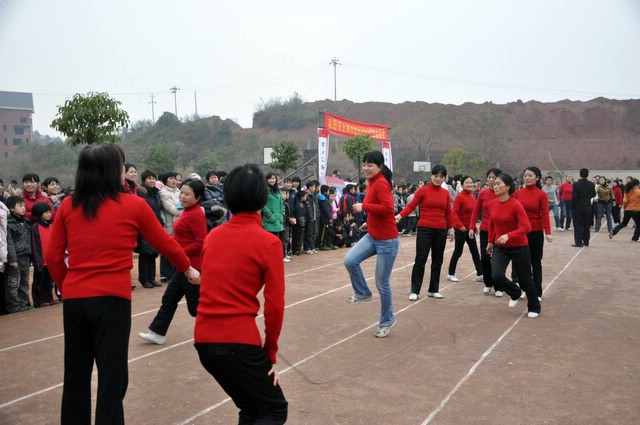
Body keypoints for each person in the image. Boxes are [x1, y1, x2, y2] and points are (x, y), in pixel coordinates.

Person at [45, 143, 199, 425]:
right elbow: (165, 243)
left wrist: (68, 287)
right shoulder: (133, 205)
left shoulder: (68, 205)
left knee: (76, 374)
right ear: (112, 171)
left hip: (76, 300)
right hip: (112, 300)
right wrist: (188, 269)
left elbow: (53, 256)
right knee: (112, 376)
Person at [194, 164, 288, 424]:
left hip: (204, 341)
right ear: (262, 197)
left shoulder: (213, 237)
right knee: (274, 410)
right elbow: (275, 305)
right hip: (239, 342)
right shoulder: (269, 242)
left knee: (252, 408)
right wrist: (270, 352)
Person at [139, 178, 208, 345]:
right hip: (183, 266)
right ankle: (157, 332)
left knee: (196, 308)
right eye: (181, 193)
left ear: (198, 197)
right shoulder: (185, 211)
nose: (182, 197)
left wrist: (179, 253)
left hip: (194, 267)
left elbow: (201, 242)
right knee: (169, 299)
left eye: (187, 194)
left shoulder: (196, 214)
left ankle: (218, 330)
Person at [344, 151, 399, 338]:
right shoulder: (372, 182)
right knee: (350, 260)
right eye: (365, 164)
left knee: (382, 283)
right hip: (373, 235)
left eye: (370, 165)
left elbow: (388, 208)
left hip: (387, 241)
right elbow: (379, 210)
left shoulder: (381, 183)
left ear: (379, 167)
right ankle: (362, 292)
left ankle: (387, 320)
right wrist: (369, 222)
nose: (366, 168)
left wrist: (364, 207)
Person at [486, 173, 541, 318]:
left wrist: (508, 235)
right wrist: (490, 242)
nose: (495, 186)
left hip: (519, 247)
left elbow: (526, 227)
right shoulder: (492, 204)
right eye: (494, 184)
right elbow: (492, 224)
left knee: (526, 279)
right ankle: (515, 292)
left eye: (498, 184)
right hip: (500, 247)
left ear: (508, 186)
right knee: (496, 275)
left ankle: (534, 307)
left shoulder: (516, 205)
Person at [396, 164, 455, 300]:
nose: (438, 179)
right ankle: (415, 291)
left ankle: (433, 289)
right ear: (431, 176)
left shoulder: (445, 193)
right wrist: (400, 216)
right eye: (436, 176)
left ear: (445, 178)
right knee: (420, 259)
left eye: (441, 176)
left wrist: (451, 228)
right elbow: (411, 205)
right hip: (424, 229)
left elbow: (448, 212)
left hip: (440, 230)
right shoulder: (423, 191)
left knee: (437, 260)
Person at [513, 166, 552, 299]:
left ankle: (537, 291)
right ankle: (524, 288)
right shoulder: (517, 194)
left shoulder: (541, 194)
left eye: (530, 175)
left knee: (535, 262)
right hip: (520, 232)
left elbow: (545, 215)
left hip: (535, 232)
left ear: (537, 178)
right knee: (522, 262)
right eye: (525, 176)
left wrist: (548, 232)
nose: (527, 178)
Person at [469, 168, 503, 296]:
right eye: (489, 177)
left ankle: (499, 286)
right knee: (485, 258)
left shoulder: (503, 194)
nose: (491, 180)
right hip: (485, 230)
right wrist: (472, 226)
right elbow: (476, 211)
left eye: (494, 177)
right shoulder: (483, 194)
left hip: (499, 231)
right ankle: (488, 283)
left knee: (497, 259)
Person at [447, 175, 483, 283]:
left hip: (469, 230)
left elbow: (473, 214)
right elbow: (454, 213)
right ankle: (451, 274)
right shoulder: (459, 197)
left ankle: (480, 274)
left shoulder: (472, 197)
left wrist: (474, 227)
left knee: (475, 251)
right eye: (467, 183)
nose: (469, 184)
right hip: (460, 230)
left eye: (471, 182)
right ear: (462, 185)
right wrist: (460, 226)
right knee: (458, 251)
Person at [136, 170, 164, 288]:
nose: (152, 180)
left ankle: (151, 278)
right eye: (149, 178)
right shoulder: (141, 193)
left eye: (153, 178)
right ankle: (144, 279)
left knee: (153, 253)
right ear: (144, 180)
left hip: (155, 225)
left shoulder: (156, 193)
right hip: (144, 226)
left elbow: (158, 209)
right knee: (145, 253)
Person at [5, 195, 32, 313]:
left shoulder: (26, 222)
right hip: (15, 257)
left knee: (24, 282)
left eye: (24, 206)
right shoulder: (8, 223)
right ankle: (14, 306)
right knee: (13, 282)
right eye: (20, 206)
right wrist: (12, 259)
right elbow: (9, 242)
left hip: (26, 256)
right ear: (11, 208)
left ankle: (23, 303)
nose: (23, 208)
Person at [31, 202, 57, 308]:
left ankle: (49, 298)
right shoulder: (35, 227)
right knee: (39, 282)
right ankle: (38, 301)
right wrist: (38, 262)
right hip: (41, 260)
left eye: (49, 212)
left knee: (48, 282)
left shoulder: (51, 226)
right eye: (46, 212)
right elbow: (35, 245)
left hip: (50, 260)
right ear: (39, 214)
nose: (49, 214)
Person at [263, 172, 287, 262]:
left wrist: (282, 213)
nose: (272, 180)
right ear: (266, 180)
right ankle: (269, 257)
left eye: (273, 178)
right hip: (269, 219)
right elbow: (262, 203)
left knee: (277, 239)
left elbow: (281, 203)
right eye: (270, 178)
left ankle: (277, 256)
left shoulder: (277, 190)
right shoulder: (265, 190)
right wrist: (269, 213)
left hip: (278, 218)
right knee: (270, 239)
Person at [571, 168, 596, 247]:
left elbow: (574, 197)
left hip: (577, 207)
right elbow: (594, 195)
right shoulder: (592, 184)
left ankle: (578, 242)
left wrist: (573, 206)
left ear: (580, 174)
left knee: (577, 225)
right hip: (587, 207)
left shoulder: (576, 184)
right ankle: (586, 241)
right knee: (586, 225)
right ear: (588, 174)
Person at [611, 177, 640, 241]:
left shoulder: (627, 191)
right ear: (637, 184)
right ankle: (635, 237)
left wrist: (625, 207)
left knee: (623, 223)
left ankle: (613, 231)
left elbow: (625, 201)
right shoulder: (638, 192)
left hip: (628, 209)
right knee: (639, 224)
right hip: (636, 210)